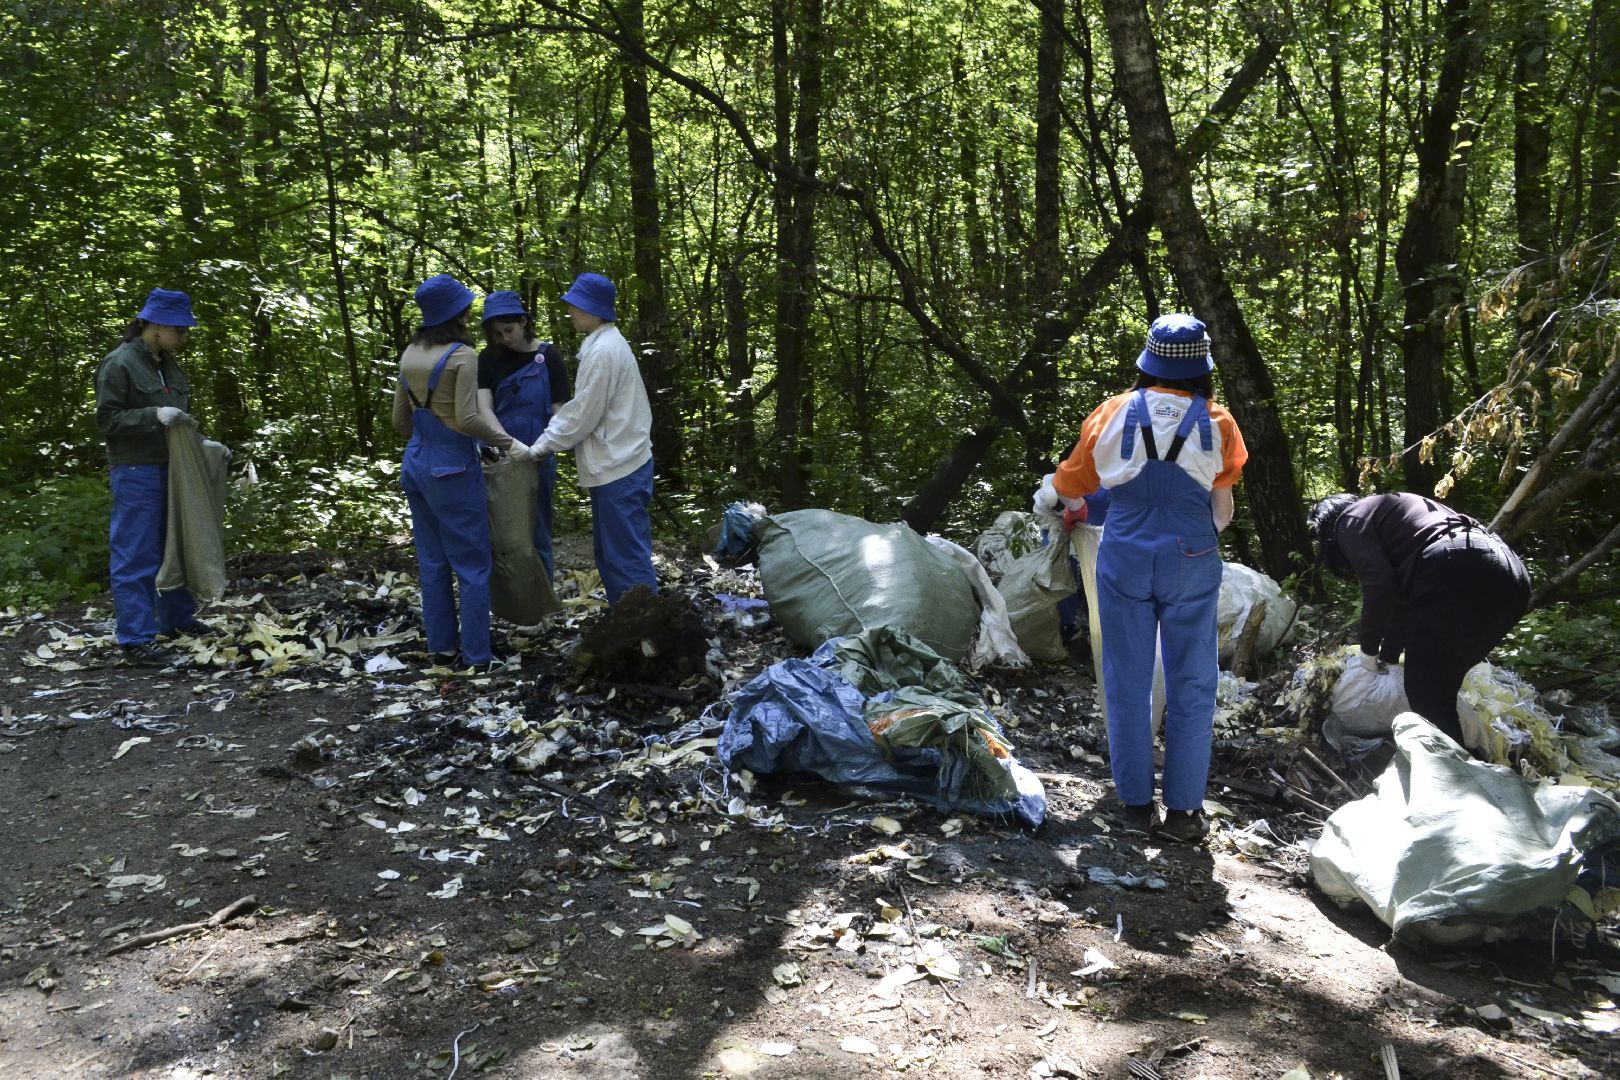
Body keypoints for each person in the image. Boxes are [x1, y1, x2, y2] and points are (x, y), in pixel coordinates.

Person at [1039, 314, 1248, 843]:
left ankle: (1133, 806)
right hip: (1191, 554)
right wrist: (1199, 533)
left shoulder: (1111, 414)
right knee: (1193, 681)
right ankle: (1183, 814)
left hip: (1125, 552)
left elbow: (1069, 487)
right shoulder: (1219, 422)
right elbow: (1223, 510)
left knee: (1127, 678)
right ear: (1201, 368)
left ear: (1147, 362)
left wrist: (1092, 514)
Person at [1308, 491, 1531, 747]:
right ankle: (1468, 763)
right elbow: (1403, 604)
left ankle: (1457, 777)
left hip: (1459, 565)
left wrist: (1368, 650)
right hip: (1510, 573)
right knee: (1439, 686)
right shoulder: (1392, 520)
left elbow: (1380, 585)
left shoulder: (1349, 519)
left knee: (1426, 693)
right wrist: (1388, 656)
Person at [392, 274, 520, 671]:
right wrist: (505, 443)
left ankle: (442, 651)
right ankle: (478, 657)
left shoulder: (410, 353)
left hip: (415, 462)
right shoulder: (463, 356)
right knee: (472, 563)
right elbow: (467, 418)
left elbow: (400, 422)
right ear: (458, 313)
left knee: (432, 562)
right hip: (453, 467)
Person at [94, 288, 214, 666]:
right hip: (136, 469)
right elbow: (106, 421)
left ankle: (176, 620)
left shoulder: (169, 365)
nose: (184, 337)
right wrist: (151, 415)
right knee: (136, 553)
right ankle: (135, 640)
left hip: (174, 467)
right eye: (180, 330)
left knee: (173, 544)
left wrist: (206, 446)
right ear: (157, 325)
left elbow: (182, 417)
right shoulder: (121, 363)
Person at [529, 272, 657, 604]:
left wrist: (543, 445)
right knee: (612, 555)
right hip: (618, 463)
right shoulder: (603, 344)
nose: (570, 311)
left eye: (575, 305)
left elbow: (583, 413)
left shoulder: (604, 351)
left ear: (592, 309)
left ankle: (647, 635)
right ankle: (628, 625)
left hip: (621, 465)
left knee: (625, 557)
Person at [476, 290, 571, 579]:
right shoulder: (487, 359)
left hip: (539, 455)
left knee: (538, 528)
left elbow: (560, 410)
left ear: (523, 322)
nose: (506, 338)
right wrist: (506, 445)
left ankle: (542, 607)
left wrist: (544, 448)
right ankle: (512, 602)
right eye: (498, 333)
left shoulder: (548, 356)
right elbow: (484, 409)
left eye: (510, 330)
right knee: (502, 533)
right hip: (498, 456)